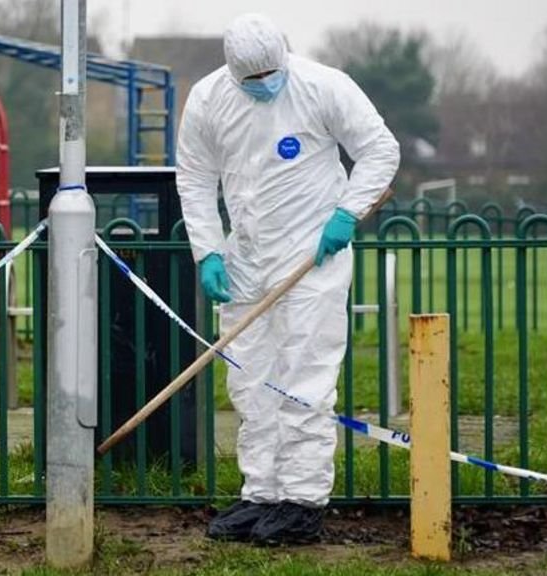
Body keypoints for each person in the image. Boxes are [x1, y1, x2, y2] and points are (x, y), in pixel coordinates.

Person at [176, 13, 400, 545]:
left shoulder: (324, 86)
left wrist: (346, 213)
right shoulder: (208, 100)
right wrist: (208, 252)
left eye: (270, 74)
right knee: (250, 381)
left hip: (310, 258)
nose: (263, 85)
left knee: (304, 378)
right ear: (232, 72)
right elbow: (196, 176)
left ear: (283, 56)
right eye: (251, 80)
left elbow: (379, 149)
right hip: (245, 260)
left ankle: (301, 500)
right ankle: (261, 493)